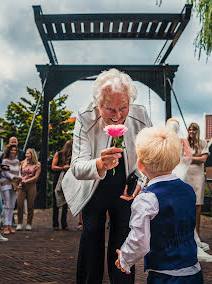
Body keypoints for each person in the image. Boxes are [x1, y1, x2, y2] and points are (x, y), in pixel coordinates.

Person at [61, 68, 151, 283]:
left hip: (125, 189)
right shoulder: (84, 117)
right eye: (110, 109)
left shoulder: (141, 115)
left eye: (123, 108)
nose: (118, 116)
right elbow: (77, 166)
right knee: (91, 236)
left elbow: (149, 156)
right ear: (98, 104)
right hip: (94, 187)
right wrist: (100, 164)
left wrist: (139, 179)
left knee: (123, 242)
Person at [115, 126, 203, 283]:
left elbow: (139, 240)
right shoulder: (189, 190)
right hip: (193, 270)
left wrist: (125, 259)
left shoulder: (146, 199)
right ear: (177, 161)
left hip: (164, 273)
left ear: (140, 165)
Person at [186, 122, 210, 235]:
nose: (192, 132)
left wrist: (190, 158)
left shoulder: (203, 143)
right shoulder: (185, 143)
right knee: (187, 204)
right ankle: (188, 231)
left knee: (197, 204)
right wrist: (196, 158)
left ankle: (197, 232)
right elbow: (180, 158)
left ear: (197, 131)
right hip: (186, 174)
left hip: (198, 175)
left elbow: (203, 159)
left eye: (194, 130)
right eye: (190, 129)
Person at [16, 148, 41, 231]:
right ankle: (19, 223)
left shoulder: (37, 164)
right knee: (20, 204)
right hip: (22, 185)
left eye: (28, 153)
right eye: (26, 153)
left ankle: (29, 223)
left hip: (31, 185)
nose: (26, 155)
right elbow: (18, 174)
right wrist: (19, 182)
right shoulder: (22, 163)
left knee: (30, 205)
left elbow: (36, 177)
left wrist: (26, 181)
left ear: (32, 155)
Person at [0, 144, 22, 235]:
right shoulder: (5, 161)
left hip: (15, 184)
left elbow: (19, 172)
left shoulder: (17, 161)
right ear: (8, 151)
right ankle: (5, 225)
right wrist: (15, 177)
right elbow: (6, 173)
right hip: (6, 184)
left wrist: (20, 181)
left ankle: (10, 225)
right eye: (12, 150)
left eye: (14, 150)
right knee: (7, 204)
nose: (13, 152)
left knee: (12, 205)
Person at [51, 140, 73, 230]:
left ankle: (64, 223)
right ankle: (55, 223)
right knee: (56, 201)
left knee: (65, 203)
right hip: (58, 178)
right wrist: (63, 168)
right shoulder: (58, 154)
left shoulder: (73, 156)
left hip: (68, 179)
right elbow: (53, 166)